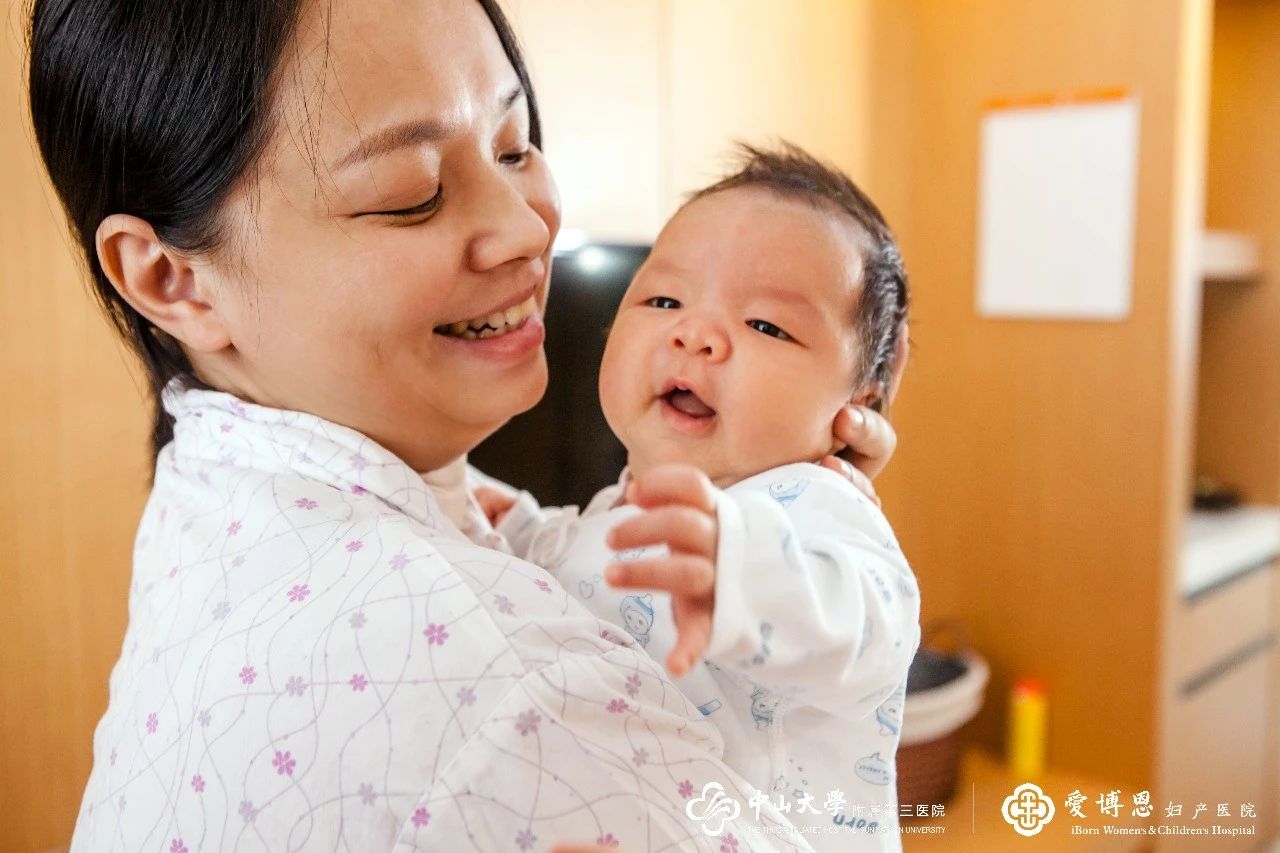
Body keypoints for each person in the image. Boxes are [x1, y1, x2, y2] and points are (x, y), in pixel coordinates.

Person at [27, 0, 898, 849]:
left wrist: (780, 511)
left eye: (515, 146)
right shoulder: (515, 692)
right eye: (410, 194)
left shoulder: (213, 501)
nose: (527, 232)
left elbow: (861, 616)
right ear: (172, 279)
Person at [490, 143, 918, 849]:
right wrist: (512, 525)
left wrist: (744, 568)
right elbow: (584, 559)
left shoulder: (810, 505)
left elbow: (876, 617)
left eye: (766, 325)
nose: (694, 333)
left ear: (859, 402)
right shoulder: (616, 509)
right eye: (664, 299)